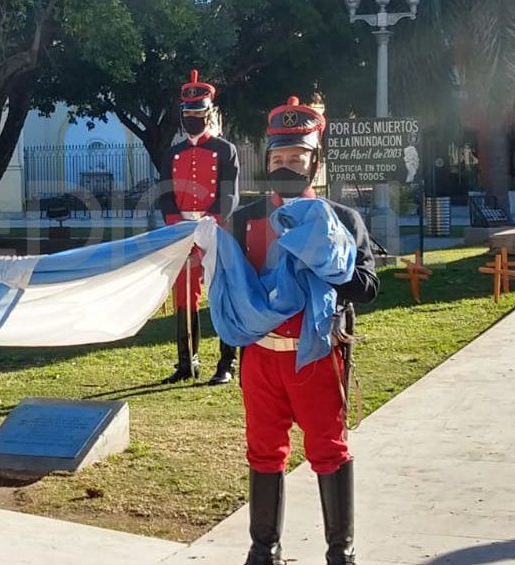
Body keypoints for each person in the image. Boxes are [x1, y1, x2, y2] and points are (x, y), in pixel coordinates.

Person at [233, 96, 378, 565]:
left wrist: (332, 265)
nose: (286, 166)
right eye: (278, 159)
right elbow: (233, 286)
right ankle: (263, 551)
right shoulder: (246, 219)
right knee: (263, 452)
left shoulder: (343, 219)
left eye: (297, 159)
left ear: (315, 163)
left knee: (328, 450)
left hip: (314, 355)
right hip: (260, 356)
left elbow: (369, 286)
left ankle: (341, 553)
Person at [156, 70, 240, 384]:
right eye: (188, 114)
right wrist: (179, 227)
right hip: (182, 233)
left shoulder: (224, 150)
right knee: (184, 298)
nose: (193, 119)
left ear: (208, 114)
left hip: (215, 229)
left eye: (198, 114)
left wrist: (211, 222)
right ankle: (186, 362)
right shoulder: (173, 153)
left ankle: (226, 363)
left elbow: (229, 194)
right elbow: (165, 196)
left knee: (221, 293)